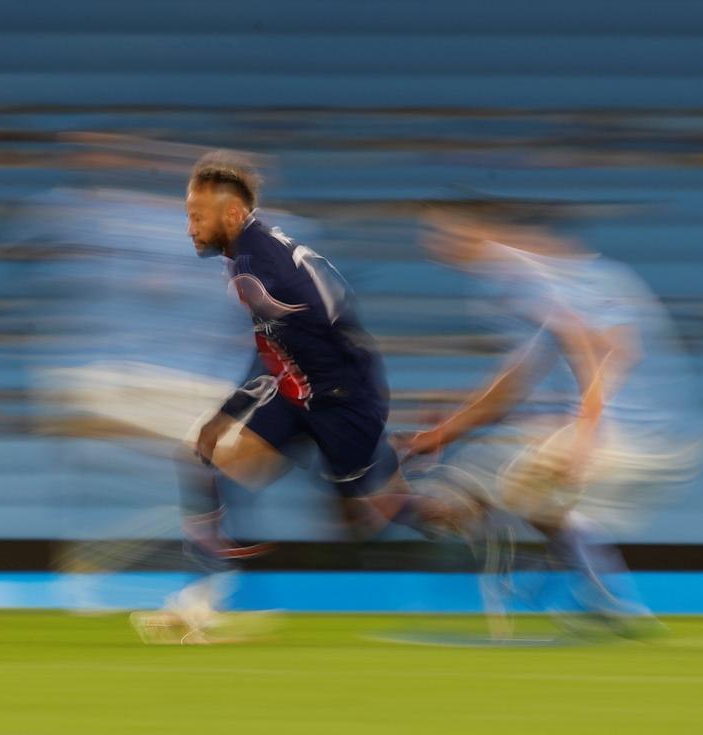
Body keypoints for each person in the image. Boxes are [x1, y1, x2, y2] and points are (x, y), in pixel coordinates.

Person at [133, 152, 475, 644]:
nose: (189, 227)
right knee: (206, 459)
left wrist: (229, 411)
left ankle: (461, 509)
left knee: (367, 517)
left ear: (230, 215)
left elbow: (296, 338)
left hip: (340, 403)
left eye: (196, 216)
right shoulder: (257, 253)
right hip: (302, 393)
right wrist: (226, 417)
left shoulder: (256, 271)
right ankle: (198, 604)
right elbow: (287, 342)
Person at [402, 204, 703, 636]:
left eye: (444, 232)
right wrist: (447, 428)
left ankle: (539, 583)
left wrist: (586, 430)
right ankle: (596, 594)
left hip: (629, 432)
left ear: (484, 231)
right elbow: (520, 376)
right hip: (664, 431)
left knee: (485, 482)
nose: (434, 244)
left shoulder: (521, 276)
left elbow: (597, 347)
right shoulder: (585, 278)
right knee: (527, 490)